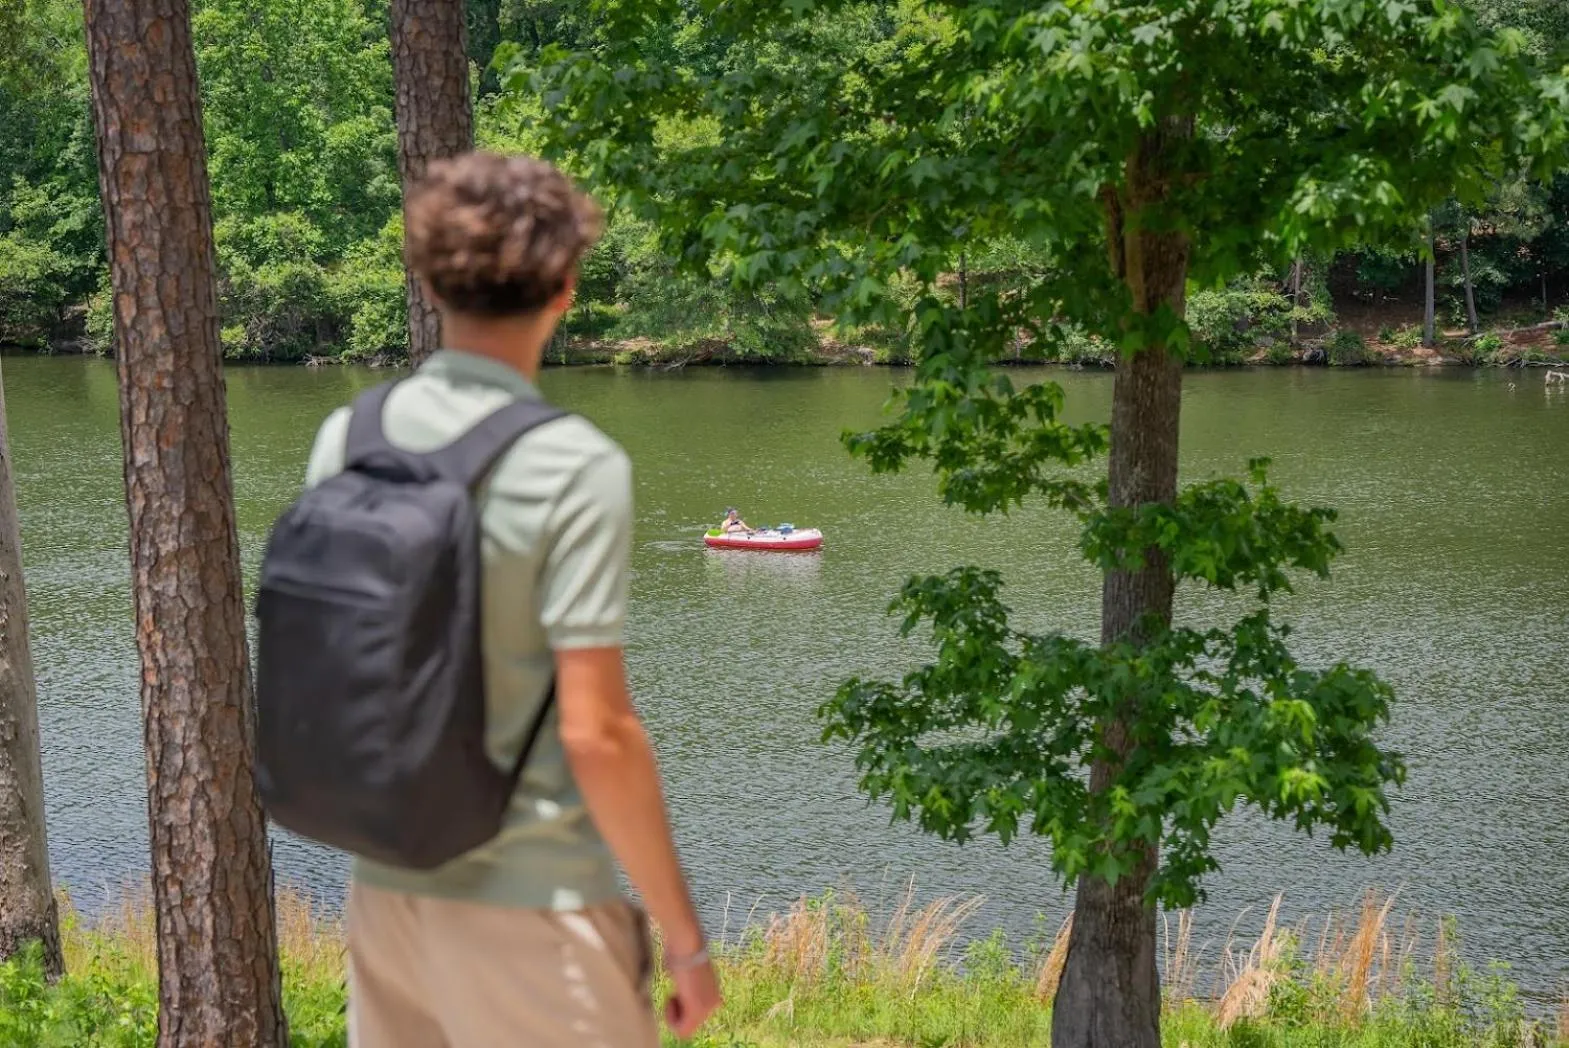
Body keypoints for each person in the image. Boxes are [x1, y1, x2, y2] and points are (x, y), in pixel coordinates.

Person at [302, 152, 720, 1047]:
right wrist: (684, 941)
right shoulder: (572, 462)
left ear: (428, 281)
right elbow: (595, 733)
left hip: (386, 897)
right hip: (532, 911)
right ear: (565, 287)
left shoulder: (348, 433)